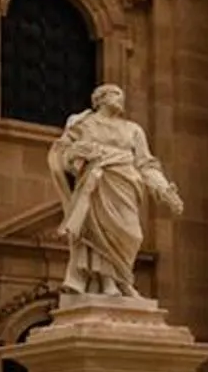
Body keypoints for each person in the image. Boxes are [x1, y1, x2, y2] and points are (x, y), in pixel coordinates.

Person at [48, 85, 181, 301]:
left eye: (122, 95)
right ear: (100, 99)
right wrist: (76, 154)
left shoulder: (133, 129)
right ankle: (109, 282)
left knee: (133, 234)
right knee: (99, 232)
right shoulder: (84, 124)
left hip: (126, 183)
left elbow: (146, 163)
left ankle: (119, 279)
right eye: (115, 94)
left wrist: (164, 189)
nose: (121, 99)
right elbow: (63, 154)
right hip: (97, 183)